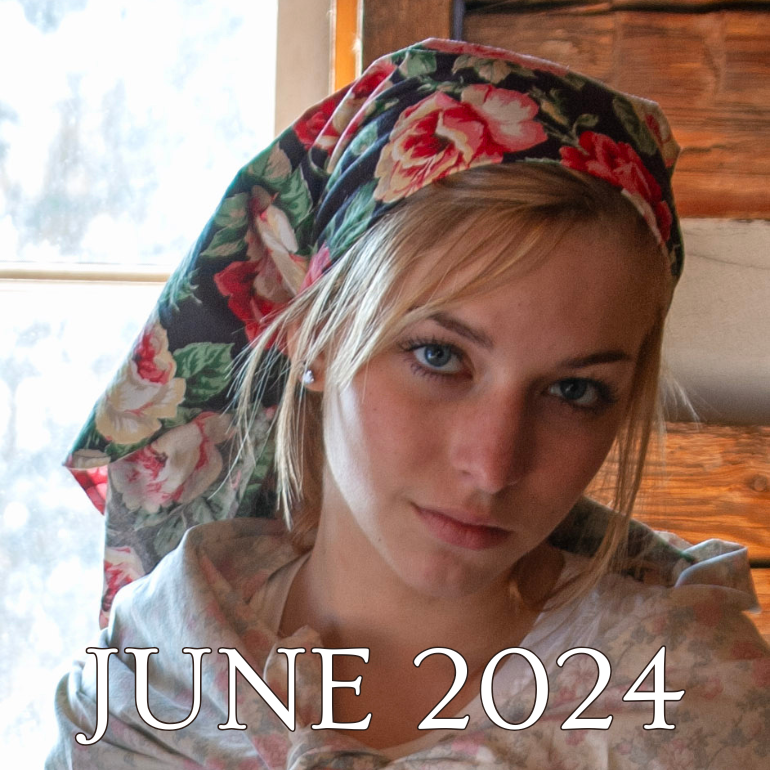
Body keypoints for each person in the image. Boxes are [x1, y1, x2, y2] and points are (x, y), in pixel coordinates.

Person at [48, 38, 769, 769]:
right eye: (439, 356)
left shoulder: (689, 701)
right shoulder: (149, 676)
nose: (493, 465)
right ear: (315, 337)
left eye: (573, 391)